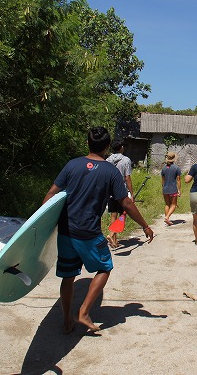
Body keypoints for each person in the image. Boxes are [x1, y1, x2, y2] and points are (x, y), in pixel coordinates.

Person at [42, 126, 154, 334]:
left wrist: (40, 226)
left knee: (68, 276)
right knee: (105, 267)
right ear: (107, 147)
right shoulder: (110, 172)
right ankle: (83, 311)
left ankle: (67, 320)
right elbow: (126, 204)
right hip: (88, 231)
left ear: (88, 143)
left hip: (66, 229)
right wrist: (145, 226)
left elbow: (51, 194)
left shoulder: (72, 165)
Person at [105, 140, 133, 249]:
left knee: (113, 214)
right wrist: (131, 193)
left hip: (110, 192)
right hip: (121, 191)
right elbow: (127, 178)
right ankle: (111, 234)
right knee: (123, 214)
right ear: (121, 147)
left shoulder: (107, 160)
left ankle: (114, 242)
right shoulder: (126, 160)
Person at [161, 151, 182, 226]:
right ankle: (167, 217)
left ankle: (167, 220)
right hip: (173, 189)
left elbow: (162, 180)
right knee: (173, 205)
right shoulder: (176, 168)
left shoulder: (163, 168)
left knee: (167, 204)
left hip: (165, 189)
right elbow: (178, 180)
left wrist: (163, 188)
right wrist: (179, 190)